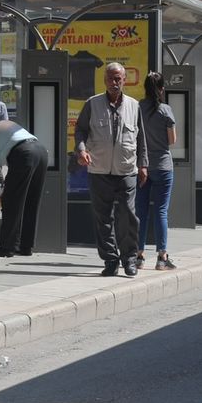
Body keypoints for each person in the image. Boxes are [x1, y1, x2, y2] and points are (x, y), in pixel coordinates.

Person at [73, 62, 149, 277]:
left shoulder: (134, 106)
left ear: (124, 80)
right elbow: (80, 131)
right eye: (110, 78)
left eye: (118, 78)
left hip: (127, 169)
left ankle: (129, 259)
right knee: (103, 218)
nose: (114, 82)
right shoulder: (92, 104)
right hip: (99, 170)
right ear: (104, 80)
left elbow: (141, 138)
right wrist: (81, 150)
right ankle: (110, 260)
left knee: (128, 215)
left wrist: (143, 165)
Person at [136, 71, 178, 270]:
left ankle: (139, 256)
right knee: (161, 211)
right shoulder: (166, 111)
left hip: (141, 166)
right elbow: (172, 140)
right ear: (162, 89)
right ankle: (162, 257)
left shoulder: (137, 108)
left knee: (140, 211)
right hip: (162, 166)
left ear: (145, 88)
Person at [0, 117, 49, 258]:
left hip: (23, 153)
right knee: (31, 200)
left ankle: (7, 247)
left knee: (12, 202)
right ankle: (26, 246)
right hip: (41, 150)